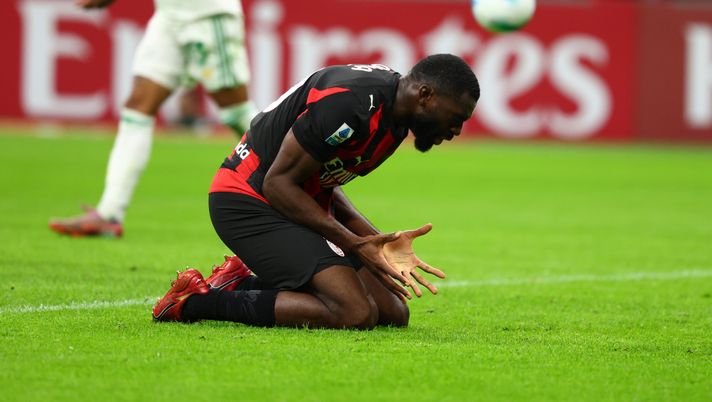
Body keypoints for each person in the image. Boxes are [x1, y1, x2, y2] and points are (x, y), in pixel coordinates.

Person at [152, 54, 480, 329]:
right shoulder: (351, 103)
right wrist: (353, 243)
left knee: (394, 313)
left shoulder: (394, 117)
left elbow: (324, 180)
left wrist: (376, 240)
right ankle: (196, 302)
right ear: (425, 95)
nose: (456, 131)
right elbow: (278, 183)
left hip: (293, 203)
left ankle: (241, 282)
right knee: (354, 312)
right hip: (247, 200)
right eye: (456, 119)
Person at [48, 0, 257, 237]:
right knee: (137, 107)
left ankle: (295, 174)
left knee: (235, 113)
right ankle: (109, 213)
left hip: (207, 13)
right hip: (169, 16)